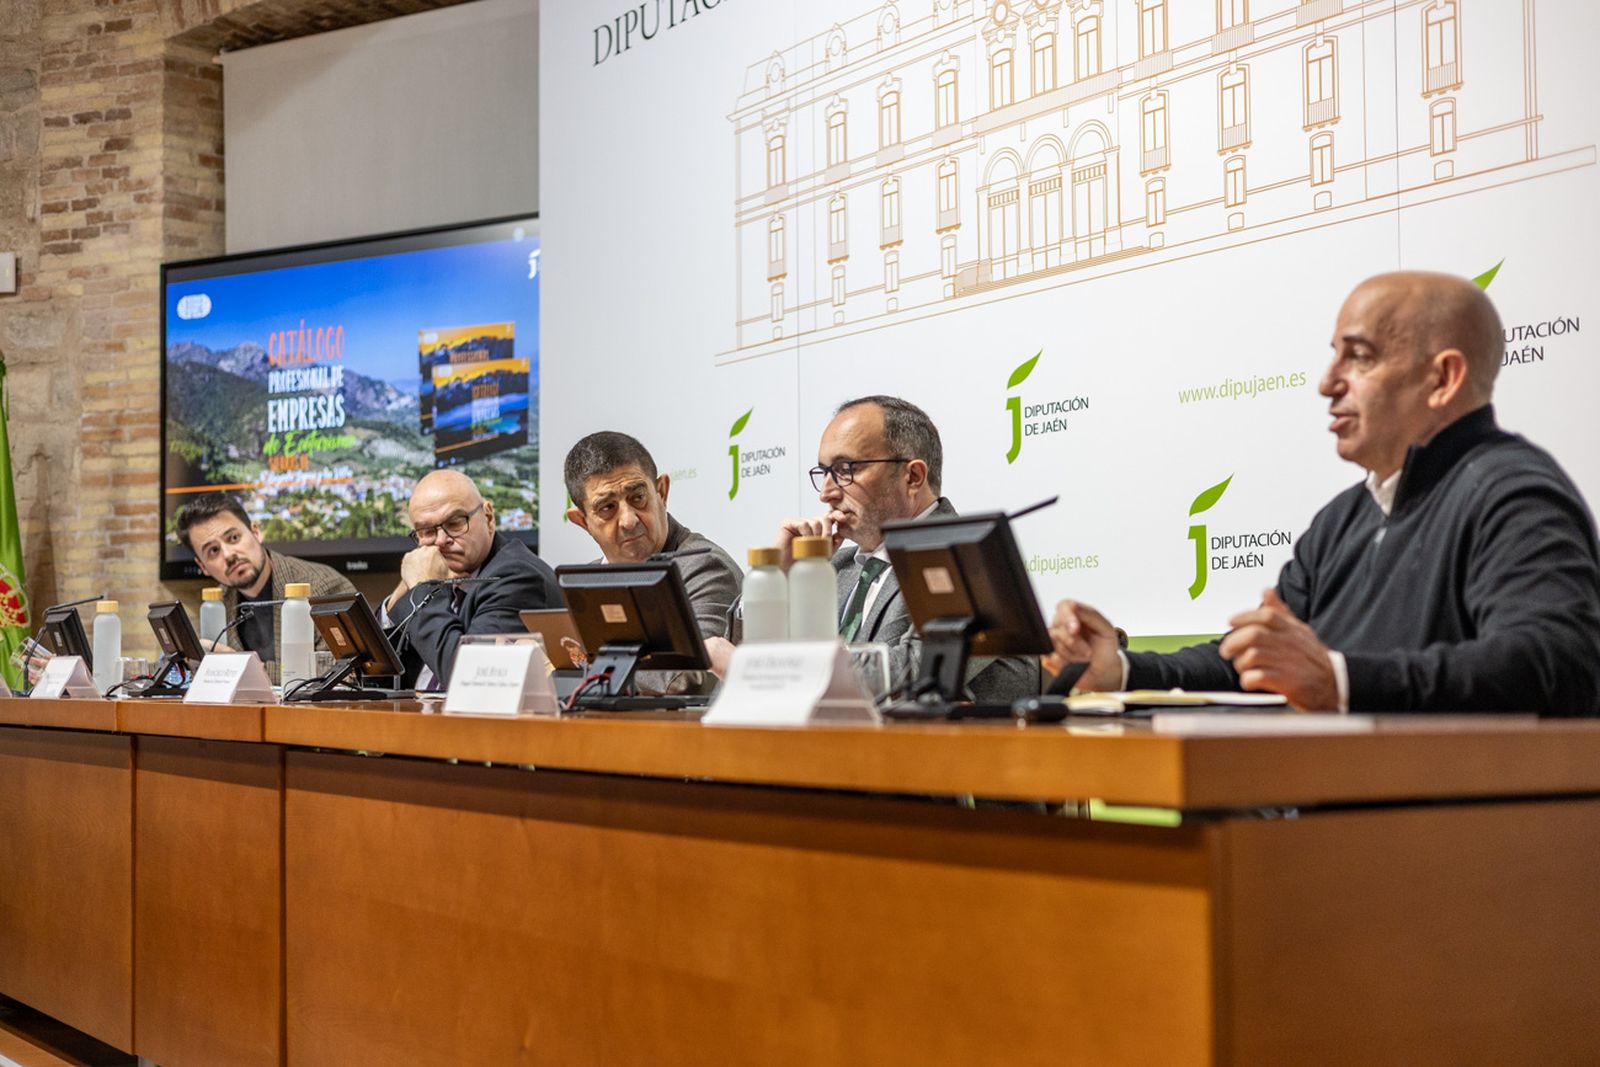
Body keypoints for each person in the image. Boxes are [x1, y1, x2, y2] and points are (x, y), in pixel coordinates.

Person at [1048, 271, 1600, 715]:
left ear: (1442, 379)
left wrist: (1339, 681)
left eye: (1358, 357)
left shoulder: (1513, 495)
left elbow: (1556, 663)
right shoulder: (1342, 520)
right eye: (1334, 354)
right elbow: (1252, 664)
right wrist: (1122, 670)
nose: (1326, 382)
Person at [766, 395, 1039, 703]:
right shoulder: (833, 567)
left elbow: (913, 675)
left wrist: (779, 669)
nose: (826, 493)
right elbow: (742, 680)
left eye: (845, 469)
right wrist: (776, 579)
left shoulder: (972, 562)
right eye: (825, 472)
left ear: (913, 477)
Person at [564, 431, 742, 694]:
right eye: (607, 508)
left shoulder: (707, 567)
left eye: (637, 498)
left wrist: (586, 670)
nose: (629, 520)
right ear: (583, 521)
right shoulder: (582, 584)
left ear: (662, 492)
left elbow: (689, 677)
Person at [384, 469, 559, 688]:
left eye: (455, 523)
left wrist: (423, 588)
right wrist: (406, 587)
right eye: (427, 531)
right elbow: (377, 669)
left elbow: (470, 677)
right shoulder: (446, 574)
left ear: (488, 518)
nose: (441, 541)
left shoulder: (519, 576)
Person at [175, 492, 355, 666]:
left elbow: (341, 671)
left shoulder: (324, 587)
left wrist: (248, 669)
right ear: (203, 566)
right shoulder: (216, 605)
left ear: (256, 532)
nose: (229, 555)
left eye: (234, 538)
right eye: (213, 551)